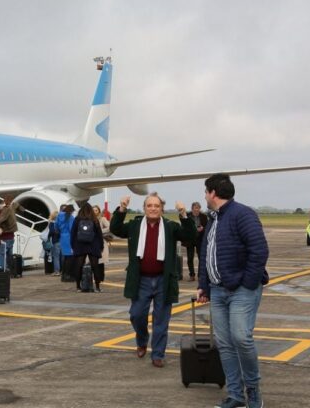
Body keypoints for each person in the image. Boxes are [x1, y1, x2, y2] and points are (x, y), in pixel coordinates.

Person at [196, 173, 269, 408]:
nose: (205, 196)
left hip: (241, 290)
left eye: (205, 192)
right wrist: (204, 285)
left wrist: (248, 283)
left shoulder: (243, 214)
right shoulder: (214, 219)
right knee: (225, 344)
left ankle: (253, 391)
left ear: (213, 193)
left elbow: (259, 250)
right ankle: (236, 395)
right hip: (217, 291)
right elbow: (206, 255)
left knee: (241, 338)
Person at [110, 193, 195, 368]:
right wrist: (122, 208)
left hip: (164, 280)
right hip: (141, 280)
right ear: (144, 208)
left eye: (157, 206)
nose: (153, 209)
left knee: (161, 321)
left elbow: (190, 235)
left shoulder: (170, 226)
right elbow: (116, 229)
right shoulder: (135, 225)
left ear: (162, 209)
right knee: (136, 315)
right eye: (149, 205)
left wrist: (183, 214)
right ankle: (142, 340)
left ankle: (158, 354)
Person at [71, 202, 105, 292]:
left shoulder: (77, 219)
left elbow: (73, 233)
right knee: (95, 266)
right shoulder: (94, 219)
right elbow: (99, 234)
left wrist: (73, 245)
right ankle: (97, 287)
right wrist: (101, 246)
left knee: (79, 266)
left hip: (79, 245)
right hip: (93, 245)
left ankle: (78, 287)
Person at [0, 195, 24, 274]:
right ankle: (11, 271)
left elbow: (0, 220)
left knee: (2, 254)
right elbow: (18, 205)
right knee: (9, 254)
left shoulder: (6, 209)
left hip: (5, 236)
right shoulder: (12, 206)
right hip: (11, 236)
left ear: (4, 201)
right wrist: (21, 208)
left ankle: (3, 271)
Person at [182, 201, 208, 282]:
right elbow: (184, 225)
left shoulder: (204, 216)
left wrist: (203, 228)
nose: (197, 210)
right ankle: (192, 275)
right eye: (195, 208)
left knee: (201, 257)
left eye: (198, 208)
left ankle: (200, 275)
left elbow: (207, 227)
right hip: (190, 239)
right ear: (192, 208)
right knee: (190, 258)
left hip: (200, 239)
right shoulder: (188, 215)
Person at [55, 204, 76, 282]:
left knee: (65, 258)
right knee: (70, 258)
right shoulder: (70, 217)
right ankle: (69, 275)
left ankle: (64, 275)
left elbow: (56, 227)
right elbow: (72, 229)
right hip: (69, 237)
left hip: (62, 237)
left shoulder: (58, 216)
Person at [93, 204, 110, 278]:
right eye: (93, 210)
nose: (94, 212)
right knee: (93, 260)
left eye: (96, 210)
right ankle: (96, 276)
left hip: (100, 241)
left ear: (99, 211)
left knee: (101, 261)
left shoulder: (102, 219)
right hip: (92, 242)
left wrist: (100, 231)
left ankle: (101, 277)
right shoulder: (89, 219)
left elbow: (109, 227)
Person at [48, 211, 62, 275]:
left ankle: (57, 271)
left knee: (56, 257)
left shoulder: (52, 223)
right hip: (62, 241)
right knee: (62, 257)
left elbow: (51, 232)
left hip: (55, 241)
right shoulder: (61, 223)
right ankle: (62, 271)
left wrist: (48, 235)